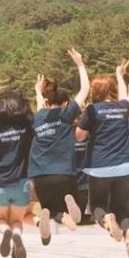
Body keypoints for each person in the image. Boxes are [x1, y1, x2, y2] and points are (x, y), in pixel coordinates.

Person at [75, 60, 129, 258]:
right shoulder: (124, 107)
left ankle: (105, 220)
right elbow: (125, 96)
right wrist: (120, 75)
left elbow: (79, 136)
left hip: (99, 167)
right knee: (122, 208)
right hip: (125, 167)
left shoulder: (92, 110)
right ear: (112, 90)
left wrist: (87, 128)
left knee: (96, 205)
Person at [30, 48, 89, 246]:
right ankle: (68, 201)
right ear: (63, 102)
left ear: (46, 101)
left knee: (48, 206)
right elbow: (85, 90)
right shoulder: (66, 114)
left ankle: (48, 214)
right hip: (64, 172)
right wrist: (80, 64)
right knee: (73, 204)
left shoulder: (38, 117)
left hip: (40, 173)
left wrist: (37, 91)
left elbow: (41, 106)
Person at [0, 91, 34, 258]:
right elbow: (33, 118)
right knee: (17, 220)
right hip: (21, 183)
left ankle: (6, 232)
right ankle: (17, 235)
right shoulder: (26, 130)